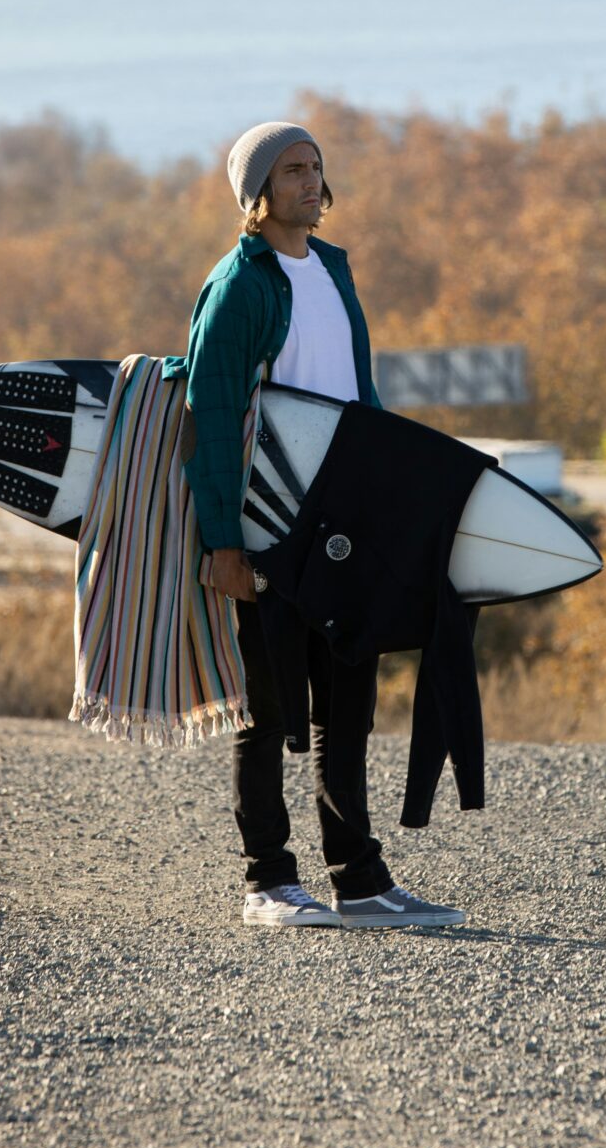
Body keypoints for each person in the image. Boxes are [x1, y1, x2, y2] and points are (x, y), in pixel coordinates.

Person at [183, 120, 467, 930]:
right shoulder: (240, 286)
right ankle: (268, 880)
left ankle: (360, 878)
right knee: (267, 711)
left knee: (347, 706)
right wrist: (222, 543)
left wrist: (389, 507)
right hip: (268, 528)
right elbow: (211, 416)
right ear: (258, 192)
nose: (311, 182)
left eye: (316, 168)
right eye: (293, 170)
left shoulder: (333, 271)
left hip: (343, 527)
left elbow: (360, 400)